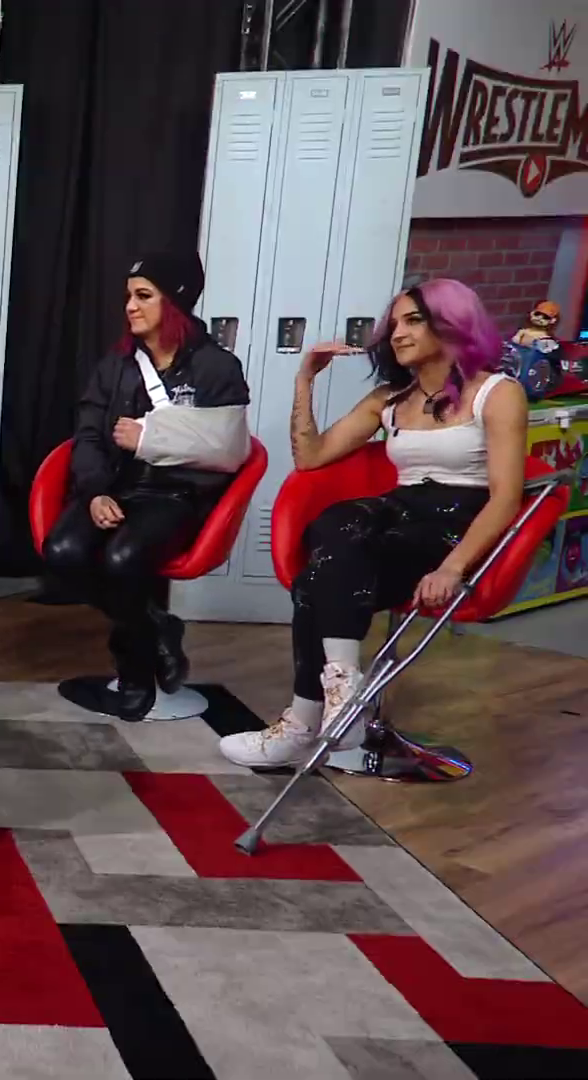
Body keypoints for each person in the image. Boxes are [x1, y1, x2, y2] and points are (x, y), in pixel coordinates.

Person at [220, 278, 528, 767]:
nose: (397, 334)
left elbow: (506, 497)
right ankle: (344, 692)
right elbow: (311, 456)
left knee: (315, 578)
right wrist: (305, 380)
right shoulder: (390, 399)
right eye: (394, 324)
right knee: (335, 522)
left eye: (413, 321)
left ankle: (302, 724)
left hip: (453, 526)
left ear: (452, 323)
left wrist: (452, 568)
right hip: (399, 511)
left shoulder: (497, 393)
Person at [40, 253, 253, 720]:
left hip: (178, 494)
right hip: (117, 487)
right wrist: (95, 491)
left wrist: (152, 439)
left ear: (174, 301)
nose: (130, 307)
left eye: (143, 296)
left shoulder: (217, 368)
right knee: (62, 551)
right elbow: (89, 435)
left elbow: (227, 451)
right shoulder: (115, 366)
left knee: (122, 559)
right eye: (128, 297)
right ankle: (158, 625)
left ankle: (135, 675)